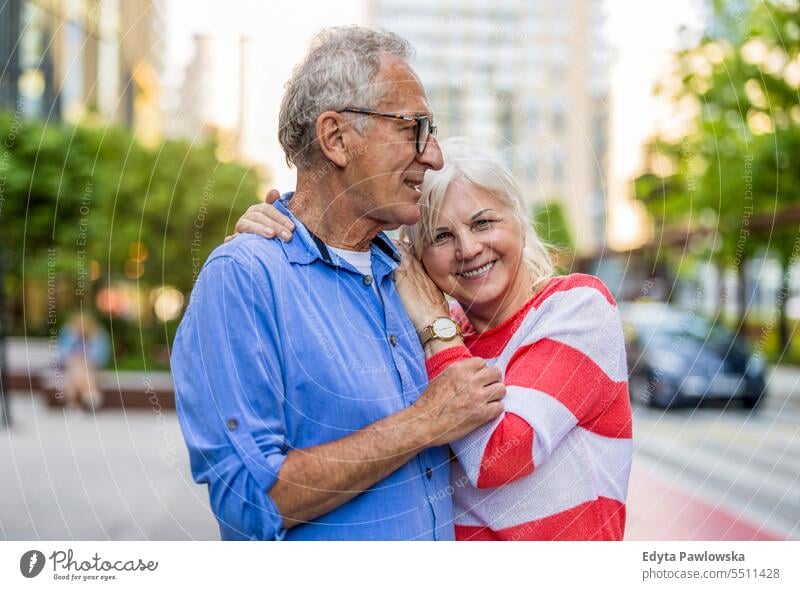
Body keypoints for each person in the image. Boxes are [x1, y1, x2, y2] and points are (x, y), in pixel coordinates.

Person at [171, 27, 506, 541]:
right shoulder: (244, 279)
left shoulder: (413, 273)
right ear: (336, 139)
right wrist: (424, 422)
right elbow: (248, 499)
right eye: (414, 128)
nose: (433, 156)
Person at [232, 137, 633, 540]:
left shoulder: (576, 307)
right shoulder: (433, 337)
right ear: (417, 258)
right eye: (441, 237)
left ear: (519, 224)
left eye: (483, 223)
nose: (469, 248)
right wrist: (272, 241)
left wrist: (433, 322)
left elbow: (499, 455)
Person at [58, 311, 109, 410]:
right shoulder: (69, 335)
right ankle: (90, 395)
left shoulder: (97, 336)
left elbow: (99, 357)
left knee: (78, 371)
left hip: (89, 367)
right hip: (73, 366)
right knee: (76, 369)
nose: (81, 328)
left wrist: (86, 361)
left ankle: (72, 403)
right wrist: (73, 337)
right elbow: (63, 355)